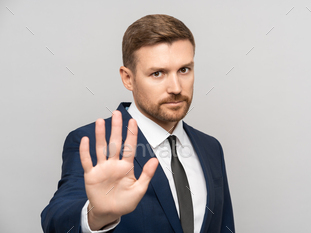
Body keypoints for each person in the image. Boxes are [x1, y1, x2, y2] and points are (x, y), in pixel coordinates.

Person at [41, 14, 235, 233]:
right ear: (128, 79)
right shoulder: (92, 142)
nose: (176, 87)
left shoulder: (211, 147)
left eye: (184, 70)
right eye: (158, 73)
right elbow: (55, 219)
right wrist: (95, 215)